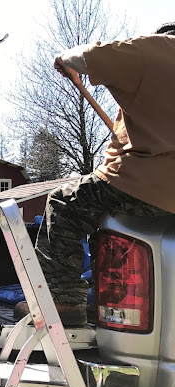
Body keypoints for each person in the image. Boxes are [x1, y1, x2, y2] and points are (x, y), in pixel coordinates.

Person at [15, 23, 175, 326]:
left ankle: (62, 300)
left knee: (65, 203)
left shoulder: (157, 50)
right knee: (107, 221)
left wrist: (66, 60)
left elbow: (92, 55)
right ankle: (106, 301)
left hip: (145, 184)